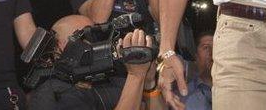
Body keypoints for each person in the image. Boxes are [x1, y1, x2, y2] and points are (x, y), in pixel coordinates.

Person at [29, 15, 166, 110]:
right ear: (62, 46)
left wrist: (149, 83)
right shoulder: (53, 93)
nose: (96, 44)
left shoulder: (113, 77)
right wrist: (136, 76)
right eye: (88, 39)